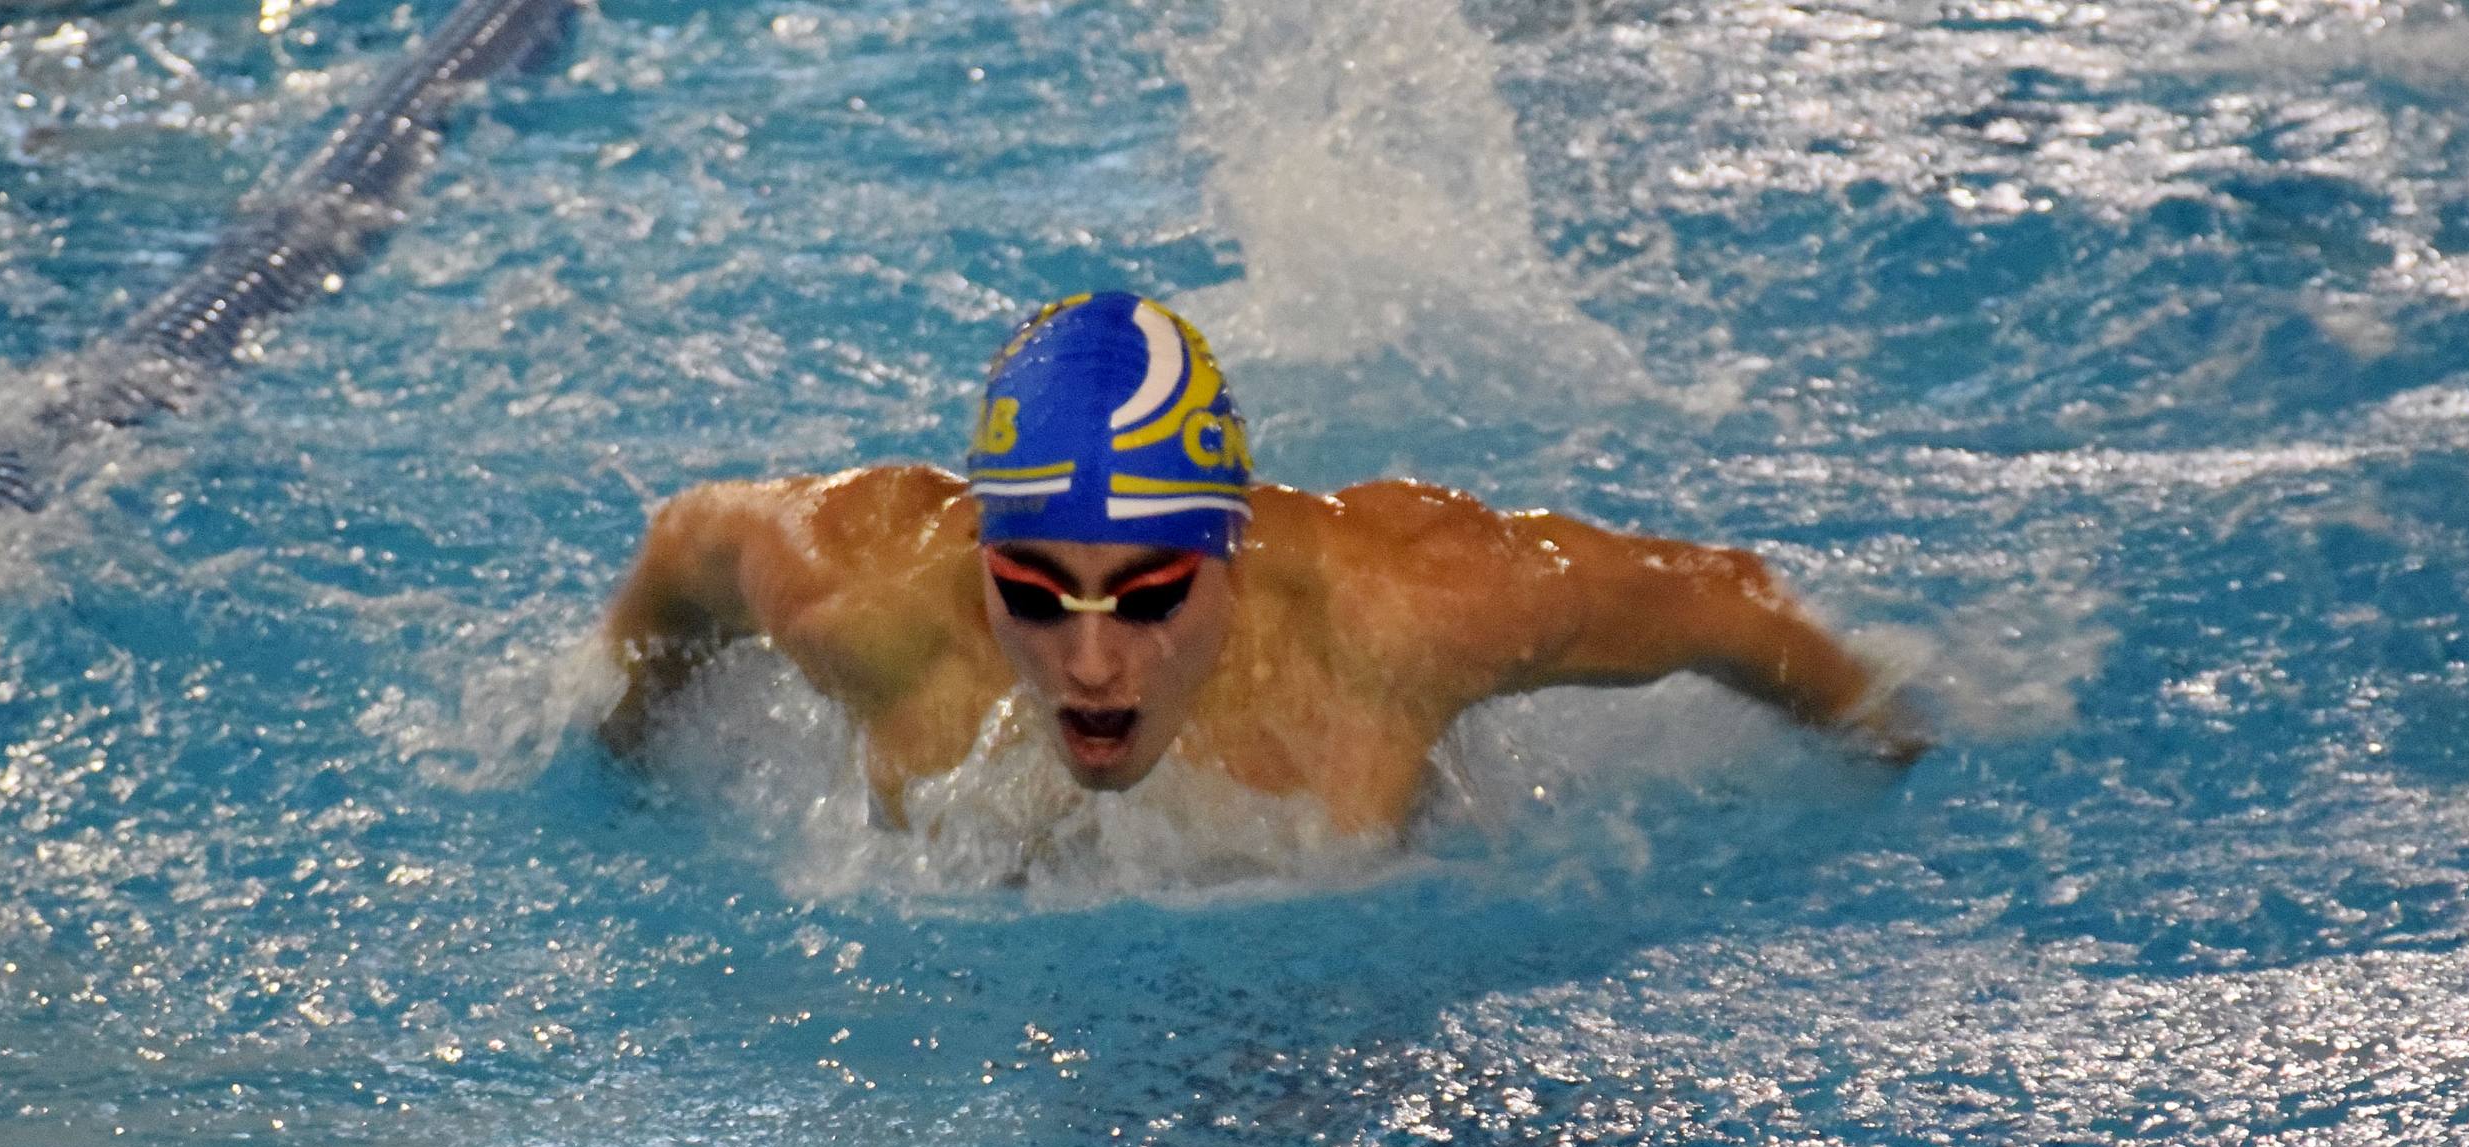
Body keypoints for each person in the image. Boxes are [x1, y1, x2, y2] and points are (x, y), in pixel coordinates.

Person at [599, 291, 1924, 835]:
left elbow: (1720, 601)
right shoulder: (876, 616)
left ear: (1230, 552)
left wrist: (1890, 743)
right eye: (1035, 595)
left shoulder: (1399, 612)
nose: (1093, 658)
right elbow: (687, 543)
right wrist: (620, 736)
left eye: (1152, 593)